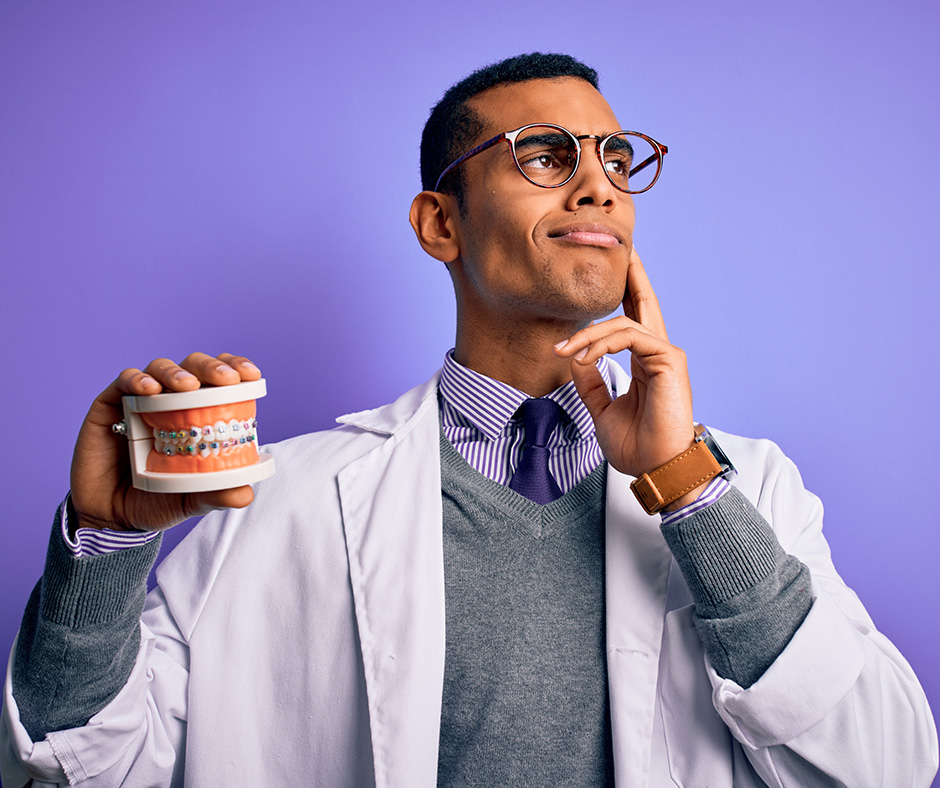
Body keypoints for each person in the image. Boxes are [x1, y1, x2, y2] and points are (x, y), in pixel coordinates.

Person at [1, 52, 936, 788]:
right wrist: (107, 548)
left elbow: (888, 766)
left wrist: (685, 487)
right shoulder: (276, 504)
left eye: (617, 158)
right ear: (439, 224)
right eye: (544, 153)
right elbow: (78, 770)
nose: (601, 186)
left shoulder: (740, 490)